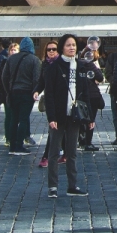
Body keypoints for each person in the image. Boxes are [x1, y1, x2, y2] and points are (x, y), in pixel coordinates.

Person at [43, 34, 101, 197]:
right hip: (59, 115)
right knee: (54, 152)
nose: (72, 48)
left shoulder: (81, 66)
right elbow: (49, 94)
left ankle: (72, 186)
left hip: (75, 115)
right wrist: (51, 117)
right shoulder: (54, 67)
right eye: (68, 45)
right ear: (62, 47)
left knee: (72, 152)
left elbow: (85, 94)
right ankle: (53, 187)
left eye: (74, 45)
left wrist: (89, 117)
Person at [1, 38, 42, 154]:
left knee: (14, 119)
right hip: (27, 93)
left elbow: (4, 77)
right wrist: (35, 91)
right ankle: (19, 145)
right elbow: (36, 78)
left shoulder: (11, 58)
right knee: (23, 119)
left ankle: (12, 146)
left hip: (13, 92)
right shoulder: (35, 60)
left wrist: (8, 91)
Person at [37, 41, 61, 168]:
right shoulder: (45, 64)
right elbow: (42, 81)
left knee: (63, 129)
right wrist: (36, 90)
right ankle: (46, 156)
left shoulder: (62, 63)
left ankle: (64, 153)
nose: (51, 51)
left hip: (63, 100)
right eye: (49, 49)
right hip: (50, 100)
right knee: (54, 127)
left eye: (54, 49)